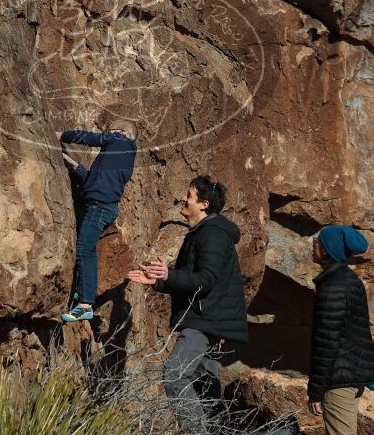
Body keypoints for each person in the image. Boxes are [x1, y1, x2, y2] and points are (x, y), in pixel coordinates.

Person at [128, 175, 248, 433]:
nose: (183, 199)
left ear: (203, 204)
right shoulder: (203, 232)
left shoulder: (213, 234)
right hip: (205, 317)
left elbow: (206, 281)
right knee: (206, 384)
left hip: (204, 320)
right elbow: (194, 280)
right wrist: (159, 282)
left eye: (189, 196)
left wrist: (168, 275)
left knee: (175, 373)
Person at [57, 119, 137, 322]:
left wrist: (62, 135)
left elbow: (93, 138)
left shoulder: (122, 141)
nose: (106, 135)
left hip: (100, 207)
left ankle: (84, 303)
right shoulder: (119, 158)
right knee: (88, 248)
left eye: (109, 132)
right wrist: (73, 164)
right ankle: (84, 293)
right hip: (102, 207)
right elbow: (92, 179)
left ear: (121, 132)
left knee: (84, 248)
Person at [307, 225, 374, 435]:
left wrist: (316, 391)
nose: (313, 246)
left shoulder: (333, 287)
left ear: (328, 249)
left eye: (317, 242)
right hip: (353, 376)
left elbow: (327, 341)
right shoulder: (350, 281)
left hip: (339, 382)